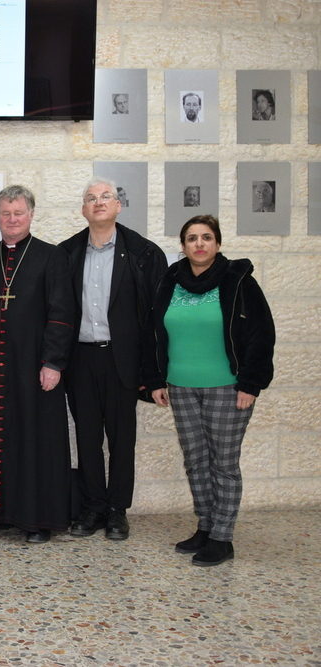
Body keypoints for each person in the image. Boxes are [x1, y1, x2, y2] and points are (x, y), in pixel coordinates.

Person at [143, 215, 274, 566]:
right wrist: (155, 379)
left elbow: (262, 335)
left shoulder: (239, 281)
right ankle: (205, 525)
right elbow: (153, 333)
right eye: (191, 238)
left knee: (224, 464)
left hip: (228, 388)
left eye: (206, 237)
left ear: (217, 243)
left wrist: (250, 383)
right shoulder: (170, 281)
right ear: (183, 245)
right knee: (196, 461)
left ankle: (222, 538)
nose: (199, 244)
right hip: (180, 387)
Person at [59, 177, 167, 542]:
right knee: (87, 437)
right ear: (83, 210)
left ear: (118, 206)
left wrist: (152, 373)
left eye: (106, 197)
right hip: (81, 360)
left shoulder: (144, 253)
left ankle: (118, 509)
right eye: (91, 198)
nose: (99, 202)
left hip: (123, 360)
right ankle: (93, 506)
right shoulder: (68, 252)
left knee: (122, 439)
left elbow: (157, 318)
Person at [0, 186, 75, 544]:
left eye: (18, 213)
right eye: (5, 214)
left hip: (34, 367)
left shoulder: (51, 256)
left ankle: (37, 519)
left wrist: (53, 363)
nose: (12, 220)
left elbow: (62, 314)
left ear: (31, 215)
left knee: (34, 440)